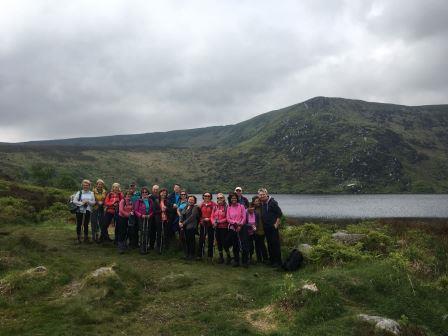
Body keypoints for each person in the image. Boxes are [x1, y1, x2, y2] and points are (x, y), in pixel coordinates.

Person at [258, 188, 283, 268]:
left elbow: (279, 214)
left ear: (267, 194)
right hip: (266, 227)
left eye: (263, 194)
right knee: (269, 244)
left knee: (275, 244)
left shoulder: (272, 202)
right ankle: (272, 260)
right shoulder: (262, 203)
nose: (262, 196)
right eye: (260, 195)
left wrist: (276, 224)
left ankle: (278, 262)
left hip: (273, 227)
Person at [226, 192, 246, 267]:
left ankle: (244, 261)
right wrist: (234, 223)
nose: (233, 199)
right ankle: (236, 260)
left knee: (242, 244)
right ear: (230, 199)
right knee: (233, 245)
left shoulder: (241, 206)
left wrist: (240, 225)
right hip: (232, 228)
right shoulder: (229, 207)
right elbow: (228, 218)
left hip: (241, 228)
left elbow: (244, 217)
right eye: (232, 198)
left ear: (237, 199)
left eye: (235, 198)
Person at [134, 186, 154, 254]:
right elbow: (135, 210)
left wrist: (150, 215)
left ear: (148, 193)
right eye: (143, 192)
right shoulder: (138, 201)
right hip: (141, 219)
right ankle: (142, 248)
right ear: (141, 193)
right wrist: (141, 215)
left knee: (147, 232)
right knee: (143, 233)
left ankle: (145, 247)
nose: (144, 193)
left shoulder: (150, 201)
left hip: (148, 218)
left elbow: (152, 210)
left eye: (146, 192)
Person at [179, 195, 200, 260]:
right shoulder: (186, 206)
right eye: (189, 199)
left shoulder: (195, 208)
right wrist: (180, 221)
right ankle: (187, 254)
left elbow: (192, 217)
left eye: (192, 200)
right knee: (186, 240)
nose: (190, 201)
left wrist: (183, 223)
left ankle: (192, 255)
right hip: (185, 226)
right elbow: (182, 214)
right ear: (187, 200)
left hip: (191, 226)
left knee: (191, 241)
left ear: (194, 201)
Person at [211, 192, 230, 264]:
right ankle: (221, 257)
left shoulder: (227, 207)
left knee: (224, 242)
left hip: (224, 227)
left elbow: (227, 218)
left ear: (224, 199)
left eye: (221, 198)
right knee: (218, 242)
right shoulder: (215, 207)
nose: (219, 199)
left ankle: (228, 256)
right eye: (218, 198)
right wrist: (213, 222)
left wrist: (218, 222)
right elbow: (212, 216)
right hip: (217, 228)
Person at [198, 192, 216, 261]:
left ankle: (210, 256)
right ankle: (200, 255)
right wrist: (201, 221)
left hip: (210, 225)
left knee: (210, 240)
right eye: (205, 196)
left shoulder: (214, 205)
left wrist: (210, 219)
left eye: (208, 196)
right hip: (203, 224)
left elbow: (215, 214)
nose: (207, 197)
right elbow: (199, 215)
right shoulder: (201, 205)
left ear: (211, 197)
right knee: (201, 240)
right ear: (203, 196)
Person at [252, 195, 268, 264]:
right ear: (253, 202)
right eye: (256, 201)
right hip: (255, 230)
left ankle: (265, 259)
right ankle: (259, 259)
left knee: (262, 244)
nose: (258, 202)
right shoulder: (252, 209)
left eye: (258, 201)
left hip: (262, 229)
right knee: (257, 245)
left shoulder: (263, 208)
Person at [156, 188, 172, 253]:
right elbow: (154, 211)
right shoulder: (156, 201)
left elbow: (171, 210)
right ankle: (158, 247)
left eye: (165, 193)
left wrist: (166, 209)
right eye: (162, 192)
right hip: (159, 220)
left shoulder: (168, 201)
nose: (163, 194)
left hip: (166, 219)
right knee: (159, 233)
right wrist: (161, 211)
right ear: (160, 193)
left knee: (166, 234)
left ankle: (166, 247)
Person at [128, 182, 140, 248]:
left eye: (133, 186)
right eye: (131, 186)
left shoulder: (138, 193)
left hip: (137, 213)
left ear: (135, 187)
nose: (132, 188)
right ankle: (131, 243)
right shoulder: (128, 194)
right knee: (131, 228)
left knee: (136, 228)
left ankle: (136, 243)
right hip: (130, 213)